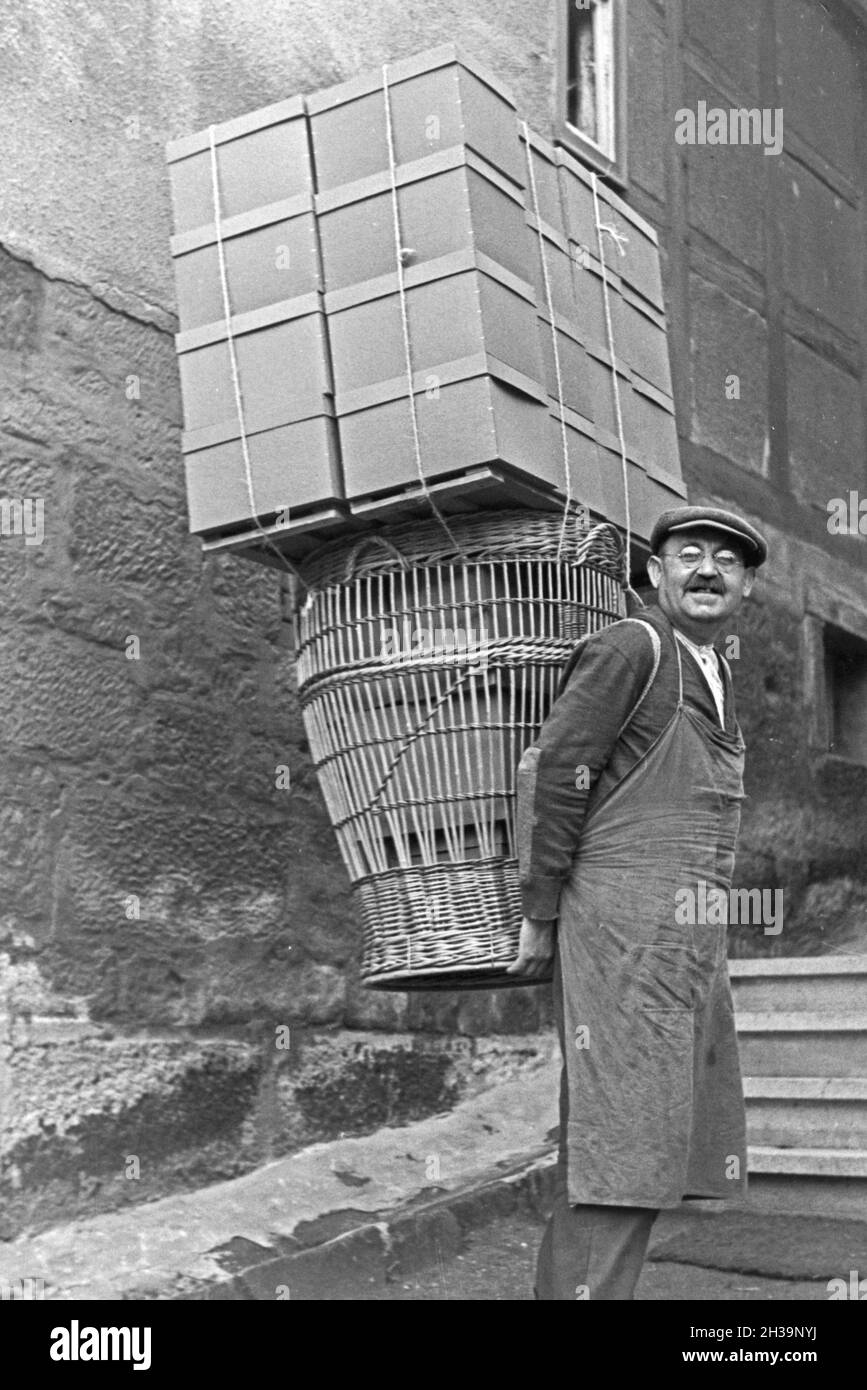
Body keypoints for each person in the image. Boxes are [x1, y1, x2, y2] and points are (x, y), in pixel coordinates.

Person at [507, 504, 768, 1301]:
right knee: (618, 1143)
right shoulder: (635, 647)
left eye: (726, 561)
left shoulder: (714, 670)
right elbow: (556, 770)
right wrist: (539, 908)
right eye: (687, 554)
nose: (705, 570)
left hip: (685, 942)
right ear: (653, 574)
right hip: (620, 934)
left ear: (745, 588)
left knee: (652, 1140)